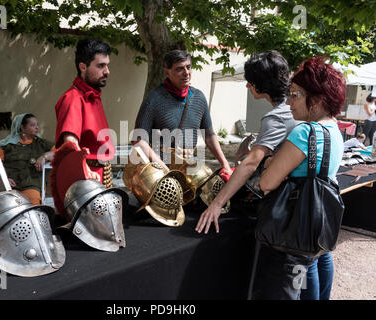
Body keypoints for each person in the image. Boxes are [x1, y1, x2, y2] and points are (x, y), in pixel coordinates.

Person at [258, 56, 346, 300]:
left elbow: (267, 182)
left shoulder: (304, 132)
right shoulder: (333, 130)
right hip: (315, 226)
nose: (288, 102)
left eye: (295, 95)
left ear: (316, 100)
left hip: (292, 233)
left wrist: (269, 163)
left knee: (289, 287)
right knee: (310, 273)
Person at [195, 50, 297, 234]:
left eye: (250, 82)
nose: (247, 86)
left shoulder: (276, 117)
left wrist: (218, 203)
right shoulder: (297, 106)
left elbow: (250, 164)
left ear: (262, 84)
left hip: (287, 201)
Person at [132, 50, 233, 176]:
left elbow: (209, 135)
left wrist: (225, 164)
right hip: (159, 172)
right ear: (167, 72)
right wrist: (164, 170)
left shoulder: (198, 97)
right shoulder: (154, 99)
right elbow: (139, 140)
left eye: (188, 67)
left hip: (189, 168)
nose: (186, 73)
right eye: (180, 69)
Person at [54, 38, 115, 187]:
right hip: (86, 180)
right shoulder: (73, 98)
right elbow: (70, 143)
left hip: (101, 175)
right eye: (101, 66)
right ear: (83, 67)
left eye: (107, 65)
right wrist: (85, 171)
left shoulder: (93, 95)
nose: (107, 71)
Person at [0, 113, 55, 205]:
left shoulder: (42, 144)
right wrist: (4, 179)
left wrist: (45, 156)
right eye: (33, 125)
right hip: (8, 187)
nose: (37, 128)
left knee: (32, 204)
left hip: (31, 186)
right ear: (22, 127)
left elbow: (62, 152)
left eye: (37, 125)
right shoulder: (5, 146)